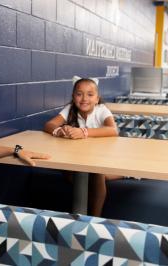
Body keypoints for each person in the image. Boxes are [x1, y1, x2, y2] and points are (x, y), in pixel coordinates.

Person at [44, 76, 120, 216]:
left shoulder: (101, 110)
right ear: (73, 97)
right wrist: (59, 131)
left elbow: (113, 130)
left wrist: (83, 132)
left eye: (90, 94)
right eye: (79, 94)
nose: (84, 98)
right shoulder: (69, 109)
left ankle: (95, 217)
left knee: (97, 173)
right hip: (77, 159)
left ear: (97, 98)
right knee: (68, 171)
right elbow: (49, 125)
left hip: (100, 157)